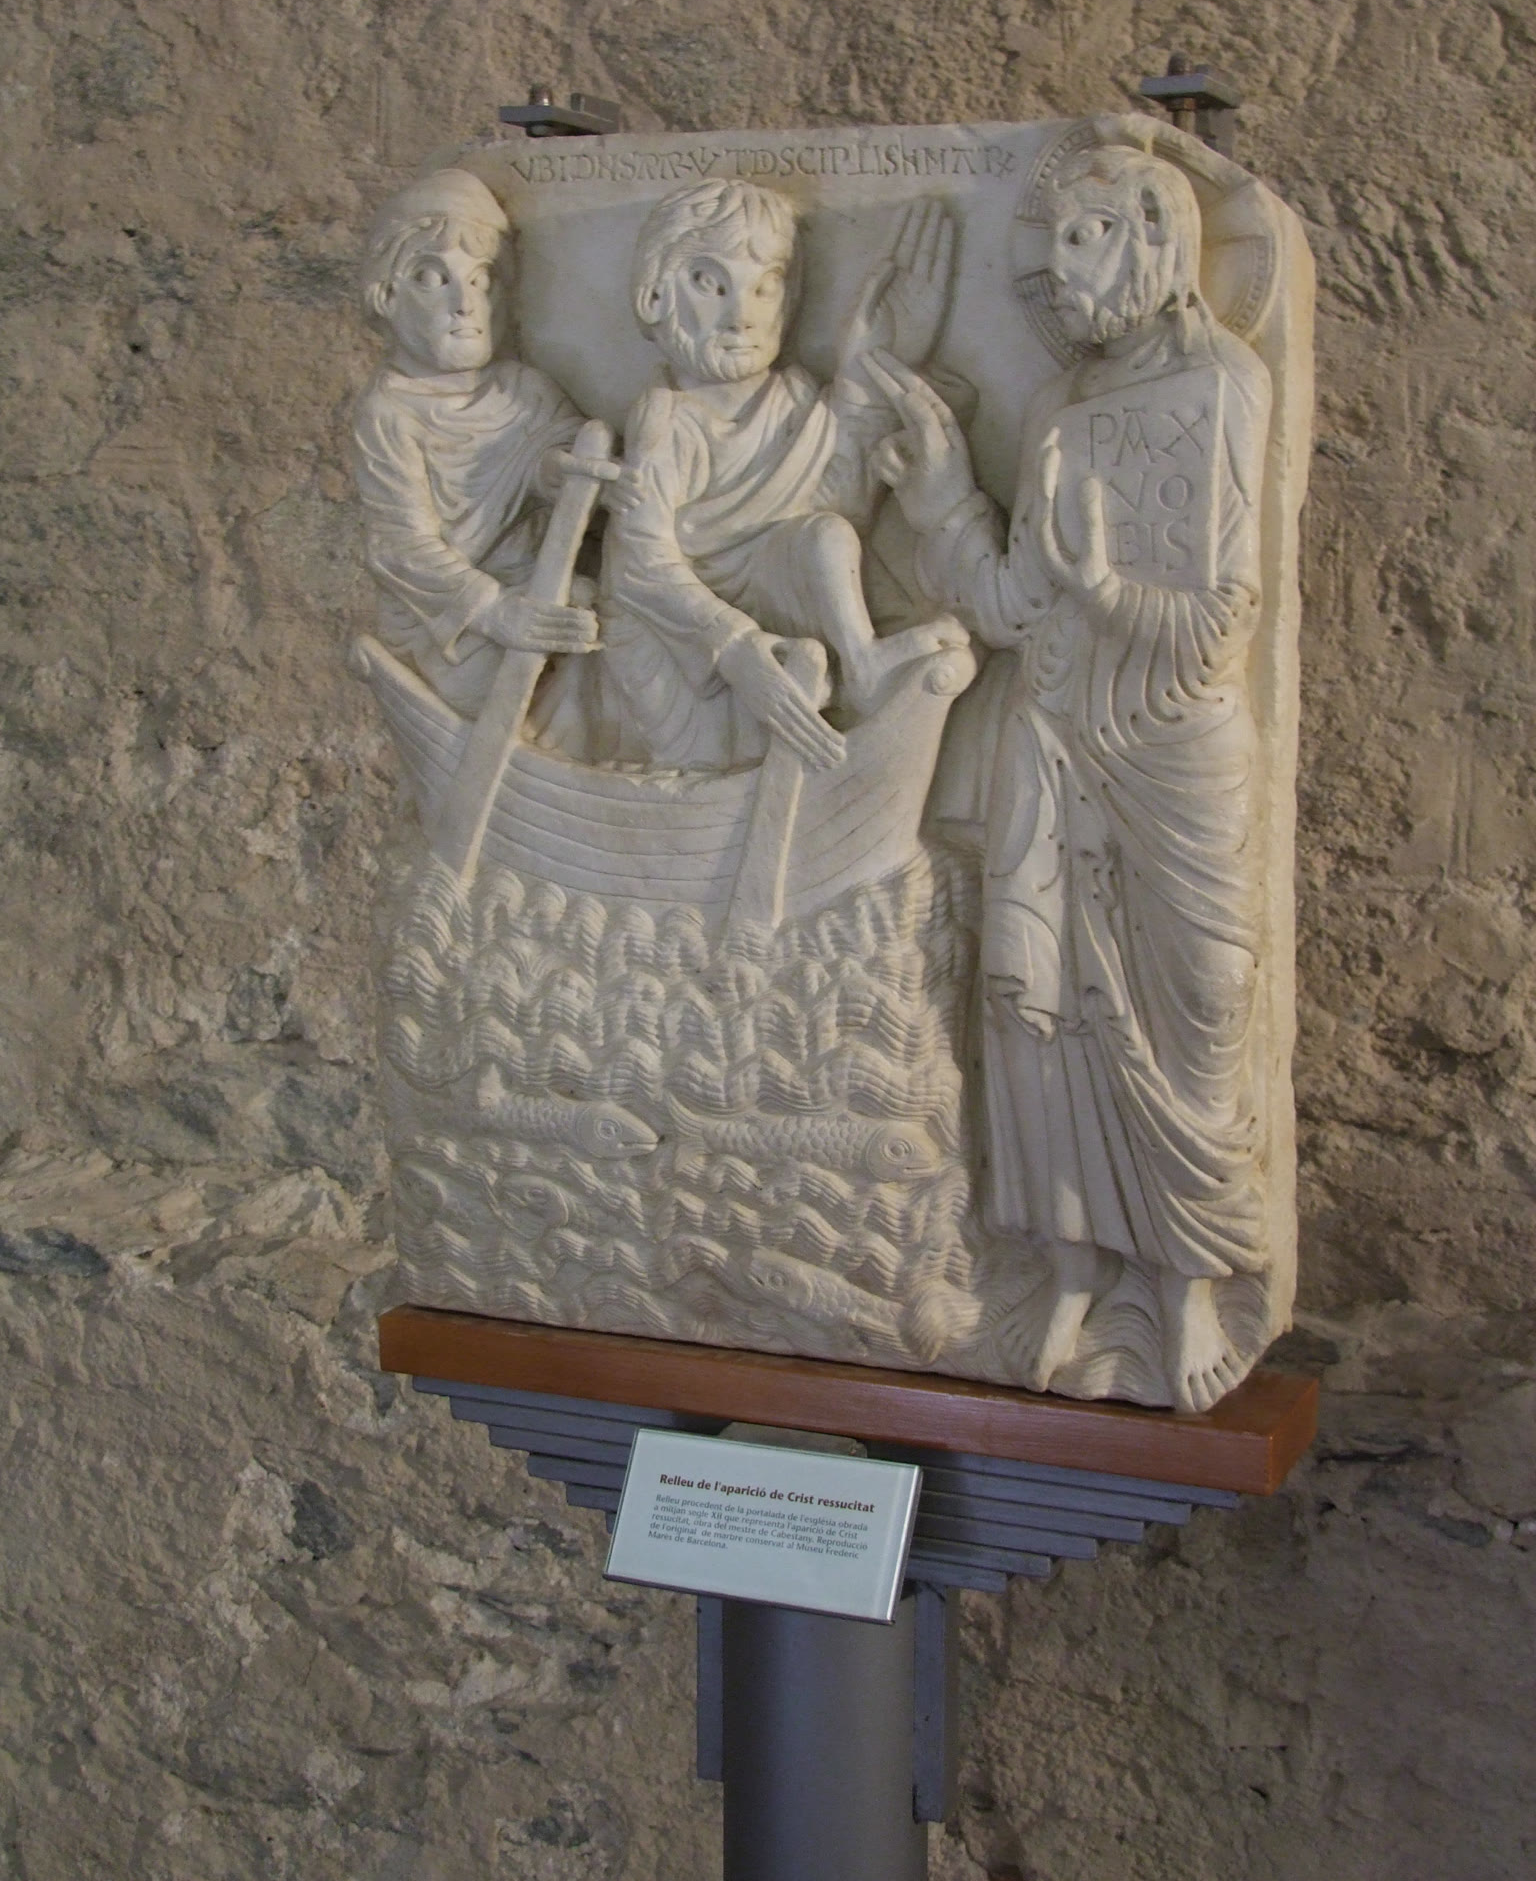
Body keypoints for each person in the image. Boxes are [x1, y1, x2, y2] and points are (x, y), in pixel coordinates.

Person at [868, 145, 1272, 1411]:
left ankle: (1193, 1277)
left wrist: (1106, 591)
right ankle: (1076, 1269)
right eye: (1047, 247)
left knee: (1202, 1001)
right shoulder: (1053, 409)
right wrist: (945, 490)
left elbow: (1222, 617)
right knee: (1040, 1017)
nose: (1052, 273)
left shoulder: (1224, 386)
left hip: (1174, 750)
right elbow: (1009, 603)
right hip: (1052, 741)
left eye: (1085, 237)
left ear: (1157, 238)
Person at [596, 179, 968, 772]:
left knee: (827, 535)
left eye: (764, 286)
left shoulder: (793, 398)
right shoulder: (668, 419)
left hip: (775, 590)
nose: (741, 316)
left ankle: (864, 664)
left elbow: (842, 505)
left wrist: (873, 366)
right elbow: (642, 564)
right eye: (710, 284)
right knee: (704, 762)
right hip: (683, 631)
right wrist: (734, 642)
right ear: (655, 295)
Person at [353, 168, 609, 720]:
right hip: (449, 623)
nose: (464, 303)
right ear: (387, 295)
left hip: (541, 589)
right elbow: (399, 546)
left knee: (614, 627)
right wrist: (496, 613)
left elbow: (568, 463)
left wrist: (553, 472)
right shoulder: (390, 412)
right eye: (432, 278)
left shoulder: (526, 390)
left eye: (481, 279)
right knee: (520, 670)